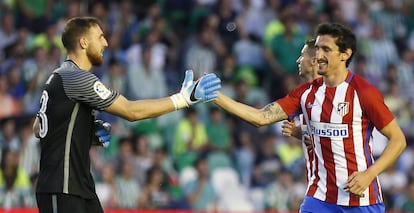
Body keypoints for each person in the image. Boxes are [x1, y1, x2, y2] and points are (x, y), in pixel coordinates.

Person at [32, 17, 221, 213]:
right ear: (84, 42)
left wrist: (85, 132)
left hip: (80, 187)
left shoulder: (58, 76)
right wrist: (183, 99)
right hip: (61, 186)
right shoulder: (78, 77)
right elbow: (131, 111)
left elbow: (38, 127)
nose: (105, 42)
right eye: (100, 37)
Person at [213, 23, 406, 212]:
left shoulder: (363, 92)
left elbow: (398, 140)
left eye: (326, 50)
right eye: (318, 49)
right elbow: (260, 117)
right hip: (319, 198)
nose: (319, 55)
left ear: (345, 54)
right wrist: (215, 95)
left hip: (361, 200)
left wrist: (369, 174)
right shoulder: (304, 93)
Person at [281, 39, 320, 183]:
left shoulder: (340, 93)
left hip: (345, 185)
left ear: (314, 61)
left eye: (302, 55)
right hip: (317, 186)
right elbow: (260, 117)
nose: (298, 61)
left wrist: (321, 141)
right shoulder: (301, 95)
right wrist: (298, 132)